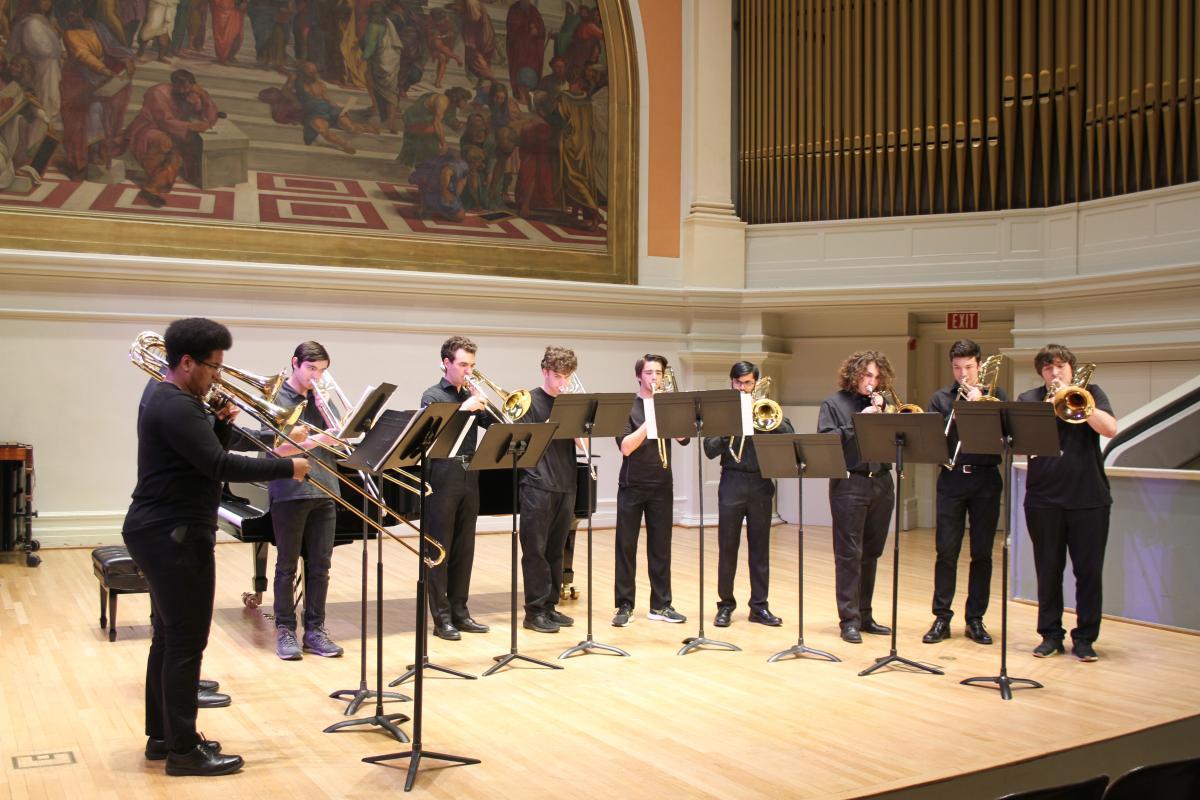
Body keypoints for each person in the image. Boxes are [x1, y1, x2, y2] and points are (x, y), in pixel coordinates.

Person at [122, 318, 308, 776]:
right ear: (186, 362)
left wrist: (221, 424)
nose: (218, 376)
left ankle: (164, 737)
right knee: (186, 643)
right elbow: (218, 465)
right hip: (175, 534)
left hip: (159, 528)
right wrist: (289, 468)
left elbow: (204, 460)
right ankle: (184, 752)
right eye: (212, 367)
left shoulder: (167, 395)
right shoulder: (178, 406)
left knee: (167, 640)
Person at [1018, 344, 1117, 662]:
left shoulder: (1091, 392)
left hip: (1089, 498)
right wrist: (1050, 406)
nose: (1054, 372)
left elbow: (1110, 429)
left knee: (1089, 572)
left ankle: (1086, 638)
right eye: (1048, 368)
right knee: (1048, 570)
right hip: (1044, 498)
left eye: (1060, 366)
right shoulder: (1029, 400)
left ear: (1071, 369)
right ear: (1041, 374)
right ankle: (1050, 636)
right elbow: (1021, 442)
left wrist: (1077, 399)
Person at [922, 339, 1008, 646]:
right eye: (957, 368)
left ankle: (976, 619)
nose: (963, 375)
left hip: (986, 479)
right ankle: (942, 617)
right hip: (952, 479)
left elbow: (1004, 438)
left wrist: (979, 406)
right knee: (946, 551)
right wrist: (954, 418)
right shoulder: (941, 399)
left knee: (982, 553)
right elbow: (934, 443)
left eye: (969, 368)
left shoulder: (996, 396)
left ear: (979, 366)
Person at [266, 341, 346, 661]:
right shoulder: (277, 398)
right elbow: (277, 449)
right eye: (311, 369)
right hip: (290, 490)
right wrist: (320, 438)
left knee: (321, 567)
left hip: (325, 489)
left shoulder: (321, 397)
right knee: (287, 566)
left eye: (323, 370)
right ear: (295, 363)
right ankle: (285, 629)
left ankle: (315, 630)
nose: (317, 376)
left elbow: (341, 436)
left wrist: (330, 412)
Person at [703, 361, 794, 628]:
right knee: (727, 547)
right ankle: (726, 605)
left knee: (760, 549)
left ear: (756, 383)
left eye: (748, 383)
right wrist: (735, 426)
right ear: (731, 382)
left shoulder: (765, 407)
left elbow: (788, 434)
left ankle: (759, 607)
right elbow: (709, 448)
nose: (743, 388)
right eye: (738, 383)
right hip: (731, 481)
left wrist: (764, 420)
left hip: (760, 483)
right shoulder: (722, 410)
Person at [419, 336, 495, 640]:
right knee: (440, 549)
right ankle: (442, 618)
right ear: (446, 363)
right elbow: (434, 434)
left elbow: (493, 424)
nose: (469, 371)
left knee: (465, 548)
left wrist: (484, 403)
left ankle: (461, 612)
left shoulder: (471, 393)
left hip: (469, 474)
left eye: (472, 366)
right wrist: (464, 408)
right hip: (441, 477)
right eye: (463, 364)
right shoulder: (432, 395)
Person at [817, 350, 895, 644]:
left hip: (881, 481)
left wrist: (887, 416)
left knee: (872, 553)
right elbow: (827, 441)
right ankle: (848, 619)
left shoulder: (882, 404)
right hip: (850, 482)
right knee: (849, 554)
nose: (871, 382)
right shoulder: (834, 404)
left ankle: (865, 614)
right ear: (854, 374)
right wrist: (860, 421)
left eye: (876, 376)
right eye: (866, 375)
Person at [611, 354, 688, 627]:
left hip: (661, 485)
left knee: (660, 548)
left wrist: (670, 410)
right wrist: (650, 419)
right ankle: (624, 605)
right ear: (639, 376)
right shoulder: (627, 407)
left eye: (658, 373)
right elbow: (626, 446)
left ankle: (661, 605)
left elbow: (683, 438)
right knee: (626, 547)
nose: (653, 377)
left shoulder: (668, 404)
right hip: (632, 485)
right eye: (648, 373)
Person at [519, 346, 580, 633]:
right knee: (536, 551)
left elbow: (584, 447)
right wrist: (549, 425)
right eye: (557, 376)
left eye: (567, 376)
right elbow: (522, 445)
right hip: (537, 484)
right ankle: (534, 612)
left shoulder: (570, 403)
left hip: (566, 483)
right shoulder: (529, 401)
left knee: (556, 550)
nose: (562, 382)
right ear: (545, 371)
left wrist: (578, 422)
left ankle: (550, 606)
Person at [123, 69, 218, 208]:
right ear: (173, 85)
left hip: (175, 131)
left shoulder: (191, 94)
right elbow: (164, 121)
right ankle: (152, 189)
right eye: (181, 87)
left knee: (176, 158)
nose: (184, 91)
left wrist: (204, 97)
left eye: (188, 87)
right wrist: (191, 126)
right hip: (148, 128)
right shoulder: (157, 93)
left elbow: (210, 120)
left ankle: (151, 189)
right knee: (164, 141)